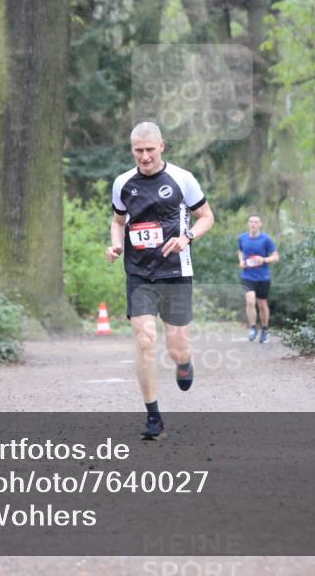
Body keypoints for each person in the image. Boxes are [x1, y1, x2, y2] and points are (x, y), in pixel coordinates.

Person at [106, 122, 215, 440]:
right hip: (139, 273)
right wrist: (115, 244)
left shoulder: (183, 179)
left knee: (176, 347)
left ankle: (185, 362)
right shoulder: (123, 183)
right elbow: (118, 220)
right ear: (132, 150)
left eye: (149, 150)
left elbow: (207, 216)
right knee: (144, 339)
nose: (144, 157)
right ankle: (154, 416)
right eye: (138, 151)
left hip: (175, 272)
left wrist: (188, 237)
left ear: (162, 147)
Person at [237, 214, 278, 344]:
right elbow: (240, 251)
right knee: (250, 301)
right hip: (247, 276)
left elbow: (275, 257)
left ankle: (264, 330)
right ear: (248, 224)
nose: (253, 224)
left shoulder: (266, 239)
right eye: (251, 221)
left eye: (256, 222)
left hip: (263, 277)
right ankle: (253, 328)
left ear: (260, 224)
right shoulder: (242, 238)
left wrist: (264, 259)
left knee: (262, 304)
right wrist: (241, 261)